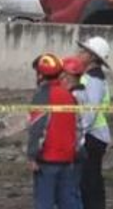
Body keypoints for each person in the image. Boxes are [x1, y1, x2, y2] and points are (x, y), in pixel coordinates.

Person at [27, 53, 79, 209]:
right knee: (68, 202)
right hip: (68, 158)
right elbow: (77, 126)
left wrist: (32, 155)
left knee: (44, 203)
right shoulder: (69, 96)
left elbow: (37, 128)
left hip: (47, 159)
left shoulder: (42, 96)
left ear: (40, 74)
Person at [75, 36, 112, 209]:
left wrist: (80, 133)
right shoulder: (89, 77)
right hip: (91, 135)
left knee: (90, 180)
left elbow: (91, 110)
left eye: (83, 51)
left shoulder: (94, 80)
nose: (79, 53)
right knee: (88, 179)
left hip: (93, 136)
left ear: (92, 56)